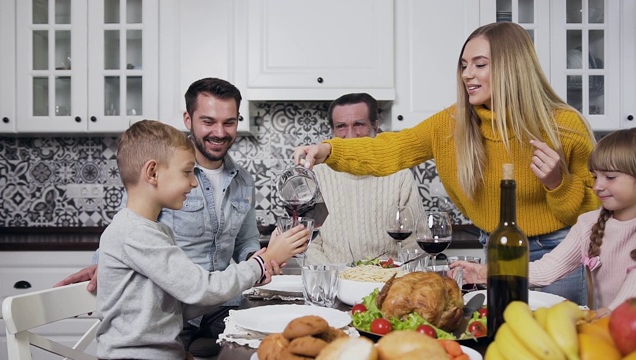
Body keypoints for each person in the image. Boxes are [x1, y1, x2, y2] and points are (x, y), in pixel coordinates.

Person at [293, 22, 600, 305]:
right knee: (502, 335)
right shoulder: (453, 124)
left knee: (559, 340)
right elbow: (392, 149)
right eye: (464, 65)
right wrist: (329, 151)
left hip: (558, 251)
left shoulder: (563, 126)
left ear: (512, 67)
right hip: (493, 249)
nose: (467, 74)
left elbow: (596, 216)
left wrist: (558, 184)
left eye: (480, 65)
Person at [55, 78, 284, 356]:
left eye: (229, 122)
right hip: (180, 315)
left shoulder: (242, 180)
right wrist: (103, 264)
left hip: (207, 306)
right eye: (208, 121)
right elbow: (130, 235)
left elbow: (244, 243)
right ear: (188, 119)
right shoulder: (161, 177)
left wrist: (259, 261)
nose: (219, 132)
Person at [96, 120, 309, 359]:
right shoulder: (135, 233)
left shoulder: (154, 230)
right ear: (153, 172)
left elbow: (183, 305)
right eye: (187, 171)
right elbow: (201, 288)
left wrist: (255, 273)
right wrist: (261, 263)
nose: (194, 181)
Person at [451, 128, 636, 316]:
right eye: (595, 176)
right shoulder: (589, 223)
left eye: (610, 177)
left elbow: (631, 296)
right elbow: (548, 269)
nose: (598, 186)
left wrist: (606, 315)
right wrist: (487, 272)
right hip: (608, 330)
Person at [306, 93, 425, 265]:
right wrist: (336, 277)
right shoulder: (317, 176)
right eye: (341, 126)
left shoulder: (399, 175)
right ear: (332, 131)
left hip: (386, 282)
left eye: (359, 124)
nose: (351, 135)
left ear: (375, 127)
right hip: (332, 283)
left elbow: (415, 242)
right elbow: (310, 243)